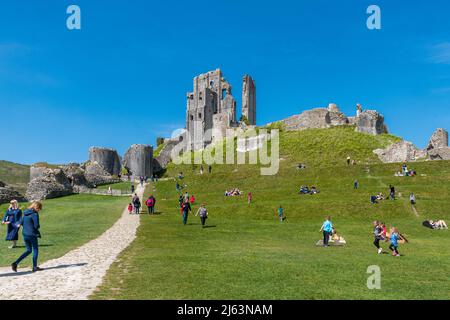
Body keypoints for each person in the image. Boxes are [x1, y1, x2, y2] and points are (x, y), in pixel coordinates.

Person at [11, 201, 43, 272]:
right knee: (35, 250)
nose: (39, 210)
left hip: (25, 234)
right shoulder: (34, 214)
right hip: (32, 234)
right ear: (37, 207)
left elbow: (21, 223)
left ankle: (15, 263)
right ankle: (34, 267)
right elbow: (36, 226)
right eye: (39, 209)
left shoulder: (25, 212)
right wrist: (37, 227)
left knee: (28, 250)